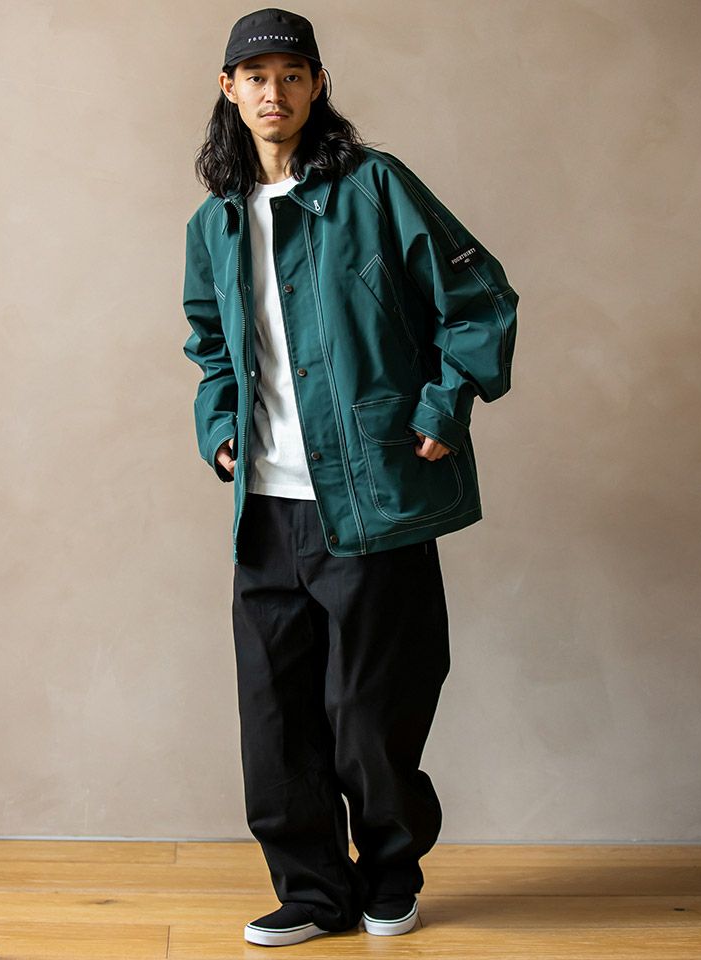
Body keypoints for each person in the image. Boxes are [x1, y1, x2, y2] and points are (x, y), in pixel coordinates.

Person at [182, 7, 519, 948]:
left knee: (371, 712)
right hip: (267, 510)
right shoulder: (214, 222)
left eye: (292, 74)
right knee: (275, 719)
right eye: (256, 77)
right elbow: (209, 345)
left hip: (371, 500)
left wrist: (443, 409)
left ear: (317, 85)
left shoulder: (374, 187)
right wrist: (220, 429)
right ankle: (312, 893)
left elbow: (480, 298)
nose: (274, 92)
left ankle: (390, 874)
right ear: (228, 89)